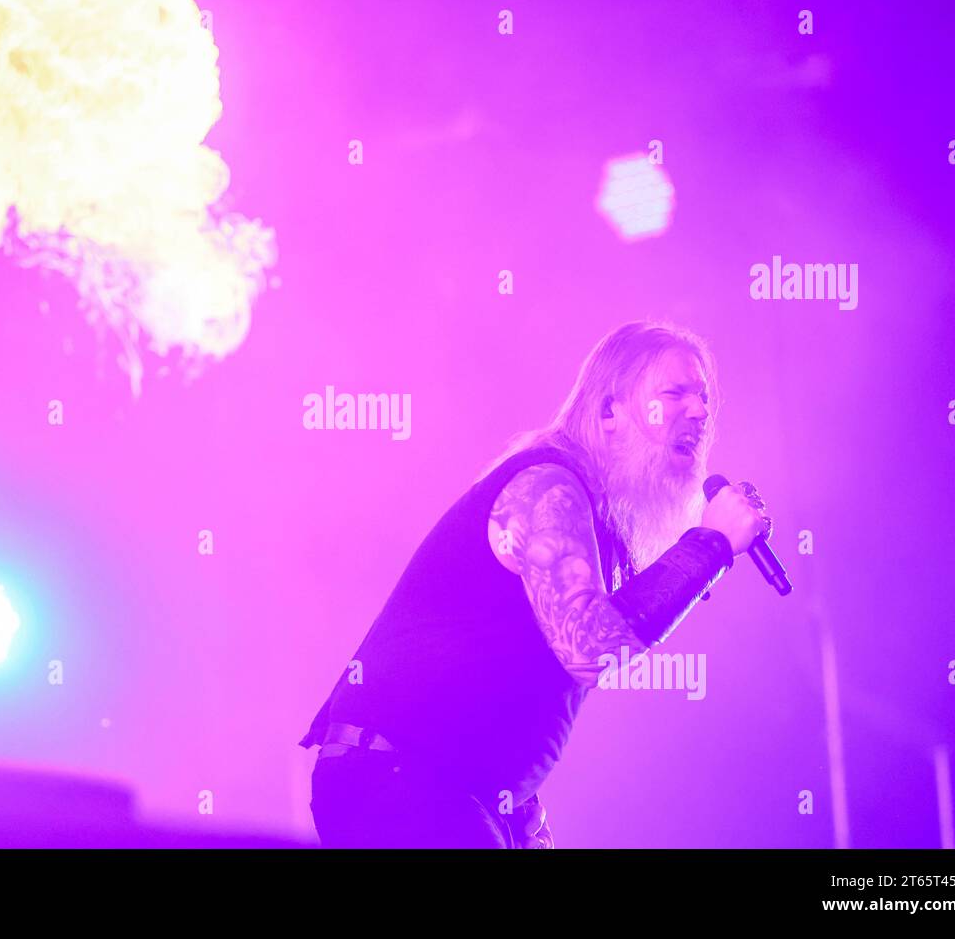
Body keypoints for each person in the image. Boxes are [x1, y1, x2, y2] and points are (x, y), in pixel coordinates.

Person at [299, 321, 771, 848]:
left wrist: (517, 807)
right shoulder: (548, 486)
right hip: (398, 781)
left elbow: (503, 667)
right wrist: (710, 546)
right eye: (675, 393)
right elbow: (590, 646)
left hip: (443, 788)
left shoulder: (595, 520)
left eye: (704, 398)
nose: (701, 413)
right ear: (610, 410)